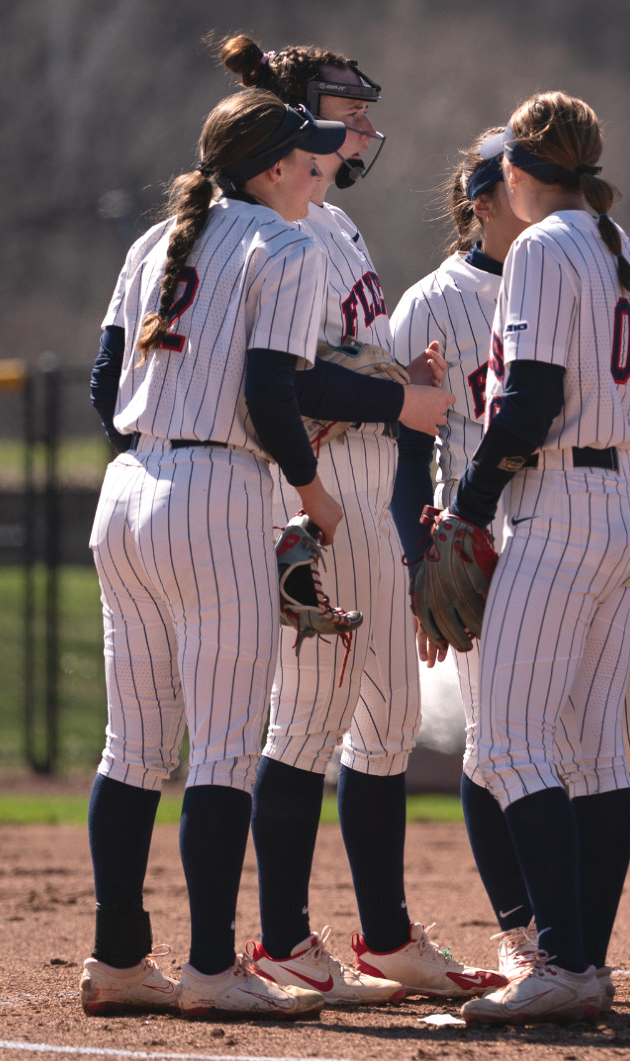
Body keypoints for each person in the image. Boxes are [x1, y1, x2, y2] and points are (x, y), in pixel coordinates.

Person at [78, 86, 453, 1021]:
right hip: (220, 494)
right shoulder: (282, 245)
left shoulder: (155, 241)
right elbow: (268, 389)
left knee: (132, 748)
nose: (317, 169)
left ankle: (119, 959)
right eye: (306, 155)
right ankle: (211, 966)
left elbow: (102, 383)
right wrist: (315, 496)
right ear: (274, 169)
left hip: (127, 488)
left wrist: (161, 438)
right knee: (223, 752)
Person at [390, 130, 630, 1001]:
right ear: (479, 196)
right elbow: (406, 443)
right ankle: (547, 949)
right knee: (537, 751)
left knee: (582, 746)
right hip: (512, 535)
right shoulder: (452, 295)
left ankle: (594, 952)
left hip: (548, 515)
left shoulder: (565, 257)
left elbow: (549, 408)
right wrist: (423, 548)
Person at [219, 35, 504, 1005]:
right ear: (296, 118)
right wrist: (399, 400)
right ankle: (284, 940)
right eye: (348, 108)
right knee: (307, 721)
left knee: (388, 722)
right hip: (314, 495)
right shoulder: (274, 231)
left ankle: (383, 936)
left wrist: (396, 384)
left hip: (366, 495)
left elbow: (340, 362)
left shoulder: (332, 225)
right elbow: (284, 383)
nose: (368, 126)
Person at [417, 91, 630, 1025]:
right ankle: (582, 964)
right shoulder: (625, 250)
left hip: (557, 502)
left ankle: (560, 960)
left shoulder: (539, 246)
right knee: (597, 753)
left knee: (505, 744)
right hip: (625, 504)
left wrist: (465, 513)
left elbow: (527, 400)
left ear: (519, 173)